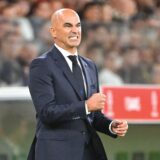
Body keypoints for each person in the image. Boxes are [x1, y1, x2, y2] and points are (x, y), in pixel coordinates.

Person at [27, 8, 128, 160]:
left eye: (78, 25)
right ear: (53, 32)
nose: (75, 30)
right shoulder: (41, 65)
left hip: (89, 152)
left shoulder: (90, 65)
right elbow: (47, 113)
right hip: (56, 153)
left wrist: (110, 125)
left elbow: (93, 115)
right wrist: (86, 106)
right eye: (68, 26)